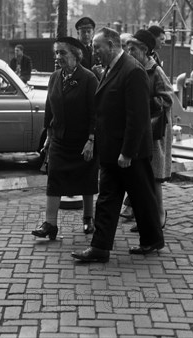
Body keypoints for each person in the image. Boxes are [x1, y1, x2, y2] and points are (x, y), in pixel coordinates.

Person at [71, 28, 163, 263]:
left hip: (127, 152)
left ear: (112, 44)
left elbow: (138, 116)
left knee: (141, 198)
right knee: (110, 199)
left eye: (97, 47)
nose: (94, 52)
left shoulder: (132, 71)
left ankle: (151, 239)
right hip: (113, 150)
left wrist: (127, 152)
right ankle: (101, 247)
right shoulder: (112, 68)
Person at [31, 37, 99, 240]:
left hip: (82, 140)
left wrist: (91, 139)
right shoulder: (54, 77)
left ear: (75, 55)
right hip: (60, 139)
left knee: (87, 179)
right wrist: (49, 136)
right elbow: (49, 108)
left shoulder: (88, 79)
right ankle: (50, 224)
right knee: (54, 179)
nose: (58, 57)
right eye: (57, 53)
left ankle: (88, 218)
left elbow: (95, 112)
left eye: (62, 53)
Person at [125, 30, 173, 229]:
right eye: (127, 48)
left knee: (155, 177)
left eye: (133, 49)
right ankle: (143, 216)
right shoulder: (132, 69)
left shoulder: (156, 71)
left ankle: (159, 215)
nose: (129, 52)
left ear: (145, 50)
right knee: (141, 176)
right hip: (139, 129)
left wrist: (145, 101)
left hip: (155, 131)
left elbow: (168, 99)